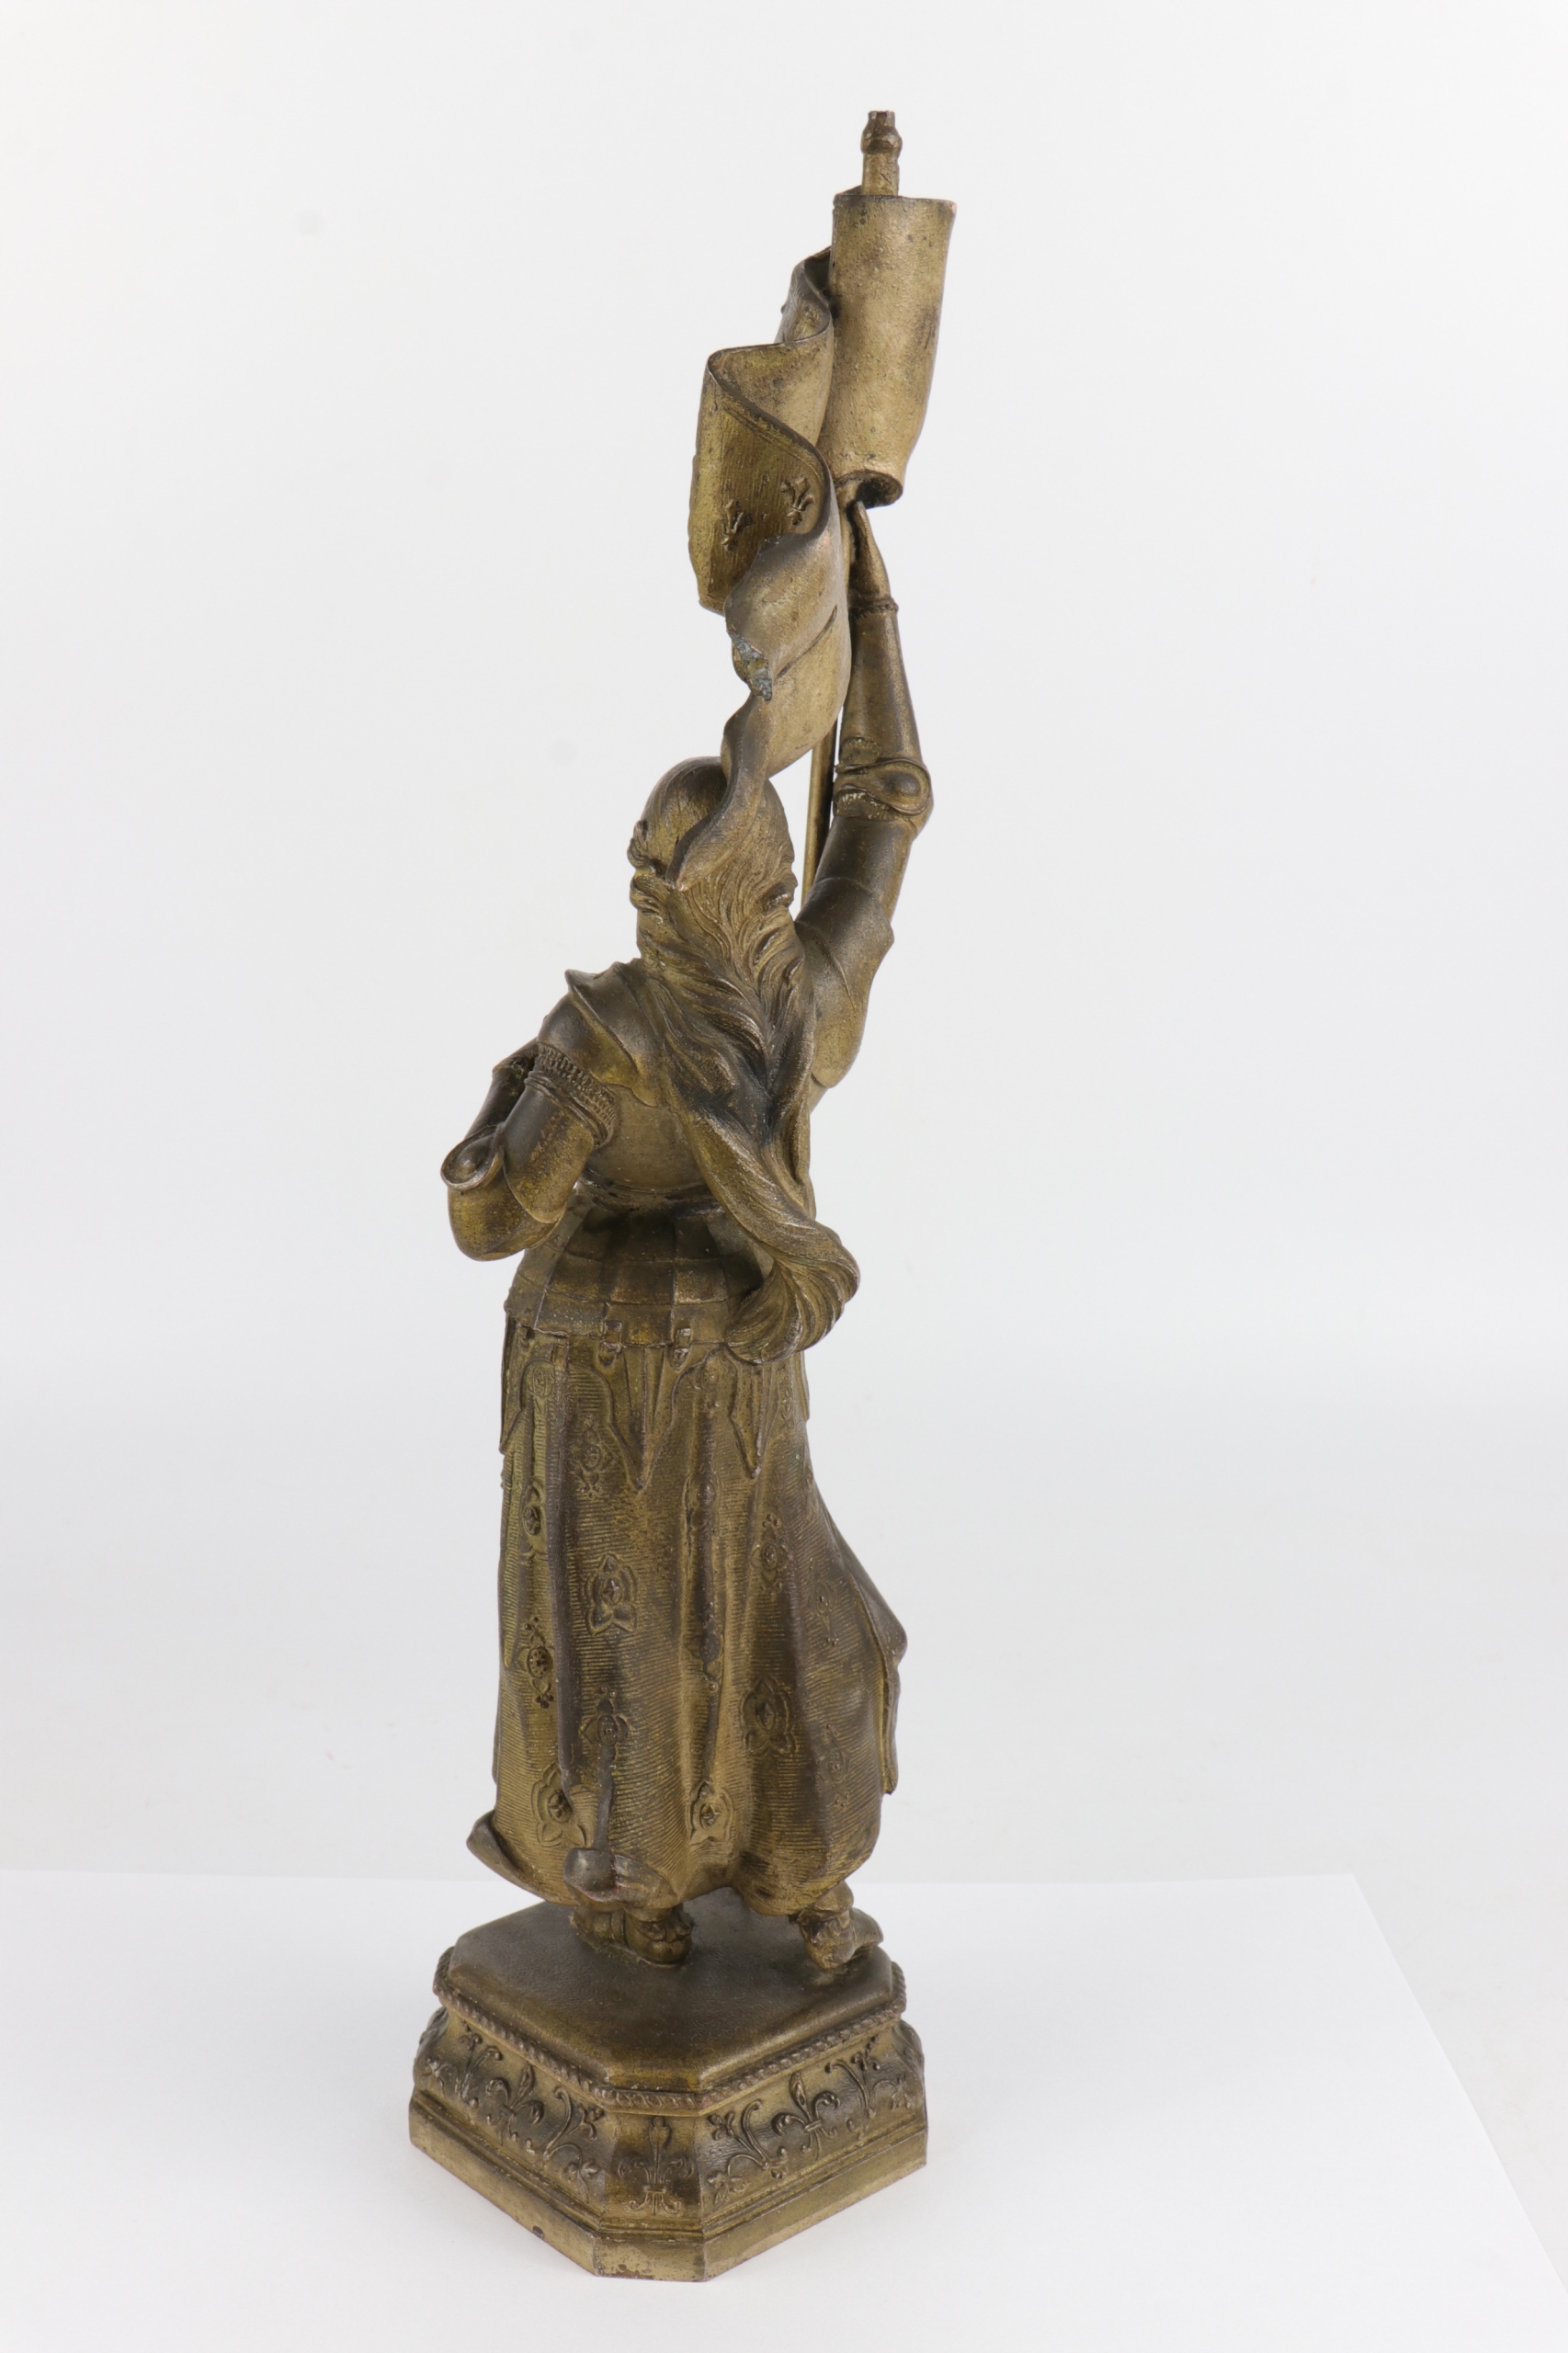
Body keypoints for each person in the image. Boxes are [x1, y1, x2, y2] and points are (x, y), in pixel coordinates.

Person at [441, 505, 931, 1969]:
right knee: (737, 1619)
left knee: (657, 1641)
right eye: (642, 867)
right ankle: (753, 1880)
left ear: (712, 887)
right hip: (718, 1354)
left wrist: (497, 1129)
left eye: (659, 870)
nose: (642, 886)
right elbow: (884, 808)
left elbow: (491, 1222)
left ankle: (664, 1878)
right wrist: (867, 611)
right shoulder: (806, 1008)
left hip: (617, 1369)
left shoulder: (606, 1034)